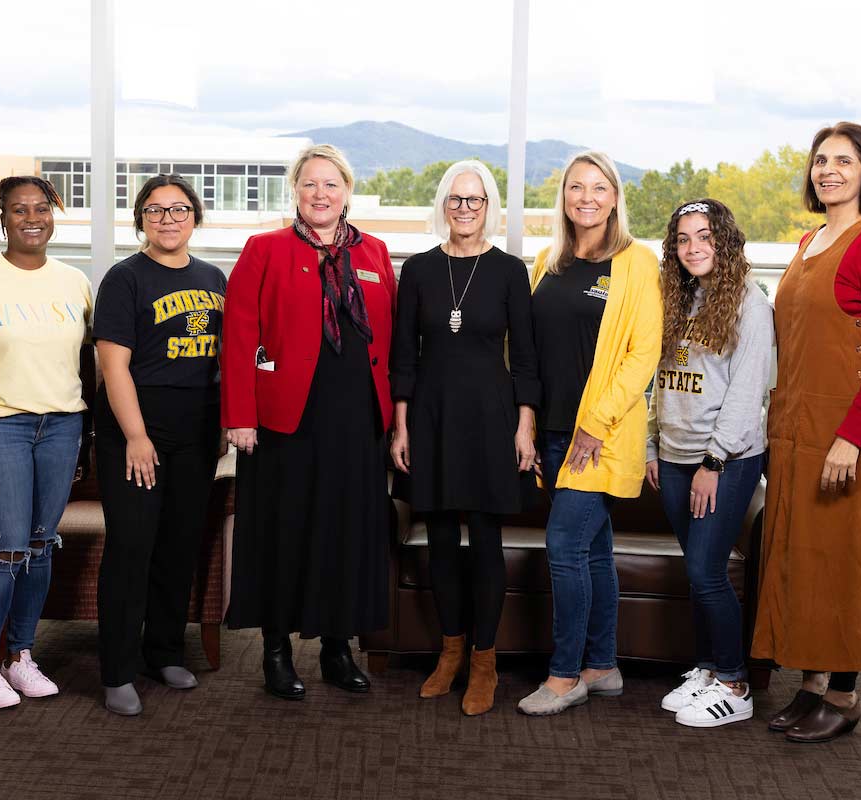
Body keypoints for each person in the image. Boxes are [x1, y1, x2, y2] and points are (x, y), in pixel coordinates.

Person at [221, 144, 396, 700]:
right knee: (283, 532)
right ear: (295, 192)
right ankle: (276, 653)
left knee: (346, 532)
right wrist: (240, 418)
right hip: (281, 422)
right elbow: (239, 340)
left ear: (347, 192)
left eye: (331, 185)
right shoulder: (264, 249)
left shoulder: (375, 251)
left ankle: (338, 650)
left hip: (356, 419)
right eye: (309, 184)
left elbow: (391, 343)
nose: (320, 195)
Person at [752, 122, 861, 743]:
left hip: (842, 432)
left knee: (840, 564)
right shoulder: (809, 241)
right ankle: (811, 685)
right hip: (794, 428)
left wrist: (851, 436)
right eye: (820, 161)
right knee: (800, 560)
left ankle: (843, 695)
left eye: (843, 160)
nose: (828, 171)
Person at [389, 160, 538, 715]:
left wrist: (525, 426)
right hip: (431, 417)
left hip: (491, 418)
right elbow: (404, 356)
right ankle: (449, 652)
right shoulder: (421, 270)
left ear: (489, 207)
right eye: (456, 199)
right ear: (443, 206)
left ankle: (484, 661)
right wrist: (401, 427)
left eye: (475, 200)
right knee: (442, 541)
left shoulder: (508, 271)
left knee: (485, 540)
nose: (465, 209)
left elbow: (524, 358)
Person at [0, 176, 93, 710]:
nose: (32, 217)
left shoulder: (75, 282)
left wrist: (88, 438)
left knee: (41, 546)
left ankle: (20, 657)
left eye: (41, 208)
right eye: (19, 209)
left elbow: (89, 362)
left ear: (53, 215)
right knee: (4, 549)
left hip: (63, 424)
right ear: (2, 218)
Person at [517, 151, 662, 716]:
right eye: (576, 187)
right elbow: (526, 350)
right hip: (552, 432)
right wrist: (527, 423)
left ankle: (565, 675)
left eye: (598, 187)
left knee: (564, 547)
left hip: (597, 437)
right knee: (595, 550)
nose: (586, 197)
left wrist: (593, 425)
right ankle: (603, 665)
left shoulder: (635, 262)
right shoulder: (546, 261)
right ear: (564, 197)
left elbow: (642, 353)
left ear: (615, 196)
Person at [94, 175, 226, 716]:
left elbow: (222, 362)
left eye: (178, 209)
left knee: (179, 544)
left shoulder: (215, 277)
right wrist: (135, 436)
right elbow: (113, 365)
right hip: (137, 431)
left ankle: (164, 650)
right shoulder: (124, 279)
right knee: (132, 547)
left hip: (195, 432)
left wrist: (221, 426)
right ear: (141, 220)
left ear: (195, 216)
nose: (168, 219)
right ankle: (117, 670)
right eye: (155, 210)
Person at [644, 199, 773, 728]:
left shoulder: (749, 303)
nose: (693, 248)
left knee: (705, 569)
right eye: (682, 239)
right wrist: (653, 444)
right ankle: (706, 669)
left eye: (704, 237)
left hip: (725, 458)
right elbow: (659, 380)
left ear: (725, 242)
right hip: (673, 454)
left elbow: (747, 393)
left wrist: (713, 461)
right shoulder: (679, 297)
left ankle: (735, 682)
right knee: (698, 573)